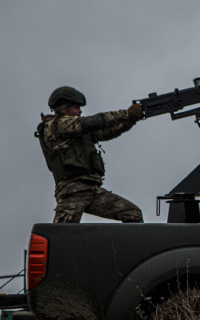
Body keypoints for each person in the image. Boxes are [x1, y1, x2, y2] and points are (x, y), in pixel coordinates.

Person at [36, 86, 145, 223]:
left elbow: (107, 131)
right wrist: (126, 114)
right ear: (64, 107)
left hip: (92, 190)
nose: (80, 111)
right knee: (61, 236)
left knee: (133, 214)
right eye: (76, 107)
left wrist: (131, 120)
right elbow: (94, 122)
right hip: (72, 192)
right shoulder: (56, 125)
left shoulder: (78, 131)